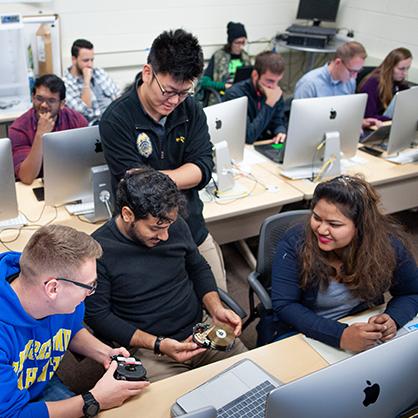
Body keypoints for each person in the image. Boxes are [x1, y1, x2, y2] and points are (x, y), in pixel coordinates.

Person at [84, 168, 246, 382]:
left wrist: (216, 308)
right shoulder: (98, 251)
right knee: (172, 407)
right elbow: (99, 317)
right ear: (127, 214)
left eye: (168, 225)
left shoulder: (172, 222)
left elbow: (198, 267)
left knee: (251, 375)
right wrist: (158, 344)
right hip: (148, 349)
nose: (165, 235)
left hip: (201, 329)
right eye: (155, 228)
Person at [99, 29, 227, 291]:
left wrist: (154, 178)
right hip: (142, 236)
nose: (174, 101)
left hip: (190, 227)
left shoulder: (191, 110)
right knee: (161, 314)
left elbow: (203, 169)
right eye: (168, 91)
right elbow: (135, 185)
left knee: (221, 304)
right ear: (148, 72)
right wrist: (181, 174)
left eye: (183, 93)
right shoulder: (117, 118)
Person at [0, 224, 149, 418]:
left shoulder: (54, 293)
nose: (90, 293)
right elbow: (12, 415)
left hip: (36, 381)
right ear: (53, 288)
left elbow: (69, 328)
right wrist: (95, 399)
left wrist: (105, 353)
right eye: (89, 286)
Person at [270, 175, 418, 352]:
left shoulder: (390, 245)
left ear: (361, 227)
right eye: (316, 218)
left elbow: (412, 293)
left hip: (358, 322)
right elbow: (285, 305)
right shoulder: (295, 241)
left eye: (334, 224)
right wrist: (340, 335)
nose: (321, 230)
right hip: (302, 330)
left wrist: (393, 318)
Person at [9, 74, 87, 184]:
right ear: (32, 97)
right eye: (39, 98)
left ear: (62, 104)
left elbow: (87, 162)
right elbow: (27, 177)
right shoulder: (19, 128)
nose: (44, 105)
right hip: (35, 187)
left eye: (51, 100)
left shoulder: (77, 121)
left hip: (70, 181)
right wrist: (40, 135)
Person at [294, 41, 379, 129]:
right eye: (352, 71)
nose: (354, 76)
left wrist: (359, 122)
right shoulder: (309, 83)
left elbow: (344, 114)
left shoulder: (350, 82)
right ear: (338, 63)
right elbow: (299, 121)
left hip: (338, 131)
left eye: (358, 71)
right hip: (313, 132)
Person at [223, 51, 287, 144]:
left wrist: (280, 131)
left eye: (277, 81)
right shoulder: (234, 95)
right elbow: (248, 137)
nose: (273, 86)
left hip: (264, 144)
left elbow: (278, 120)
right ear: (255, 75)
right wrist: (269, 105)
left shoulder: (274, 90)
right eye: (270, 81)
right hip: (243, 147)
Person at [63, 39, 120, 124]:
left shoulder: (99, 72)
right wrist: (86, 82)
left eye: (92, 60)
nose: (90, 65)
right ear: (74, 59)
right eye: (86, 60)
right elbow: (85, 113)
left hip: (115, 119)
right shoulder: (66, 83)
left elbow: (118, 96)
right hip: (95, 126)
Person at [199, 21, 251, 106]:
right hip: (223, 96)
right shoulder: (218, 56)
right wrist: (224, 86)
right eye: (238, 42)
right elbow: (205, 82)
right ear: (231, 42)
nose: (241, 46)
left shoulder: (245, 57)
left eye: (243, 42)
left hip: (241, 95)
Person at [358, 47, 413, 120]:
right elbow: (369, 116)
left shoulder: (400, 84)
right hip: (373, 126)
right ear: (390, 67)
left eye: (407, 68)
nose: (405, 73)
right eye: (401, 69)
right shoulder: (372, 84)